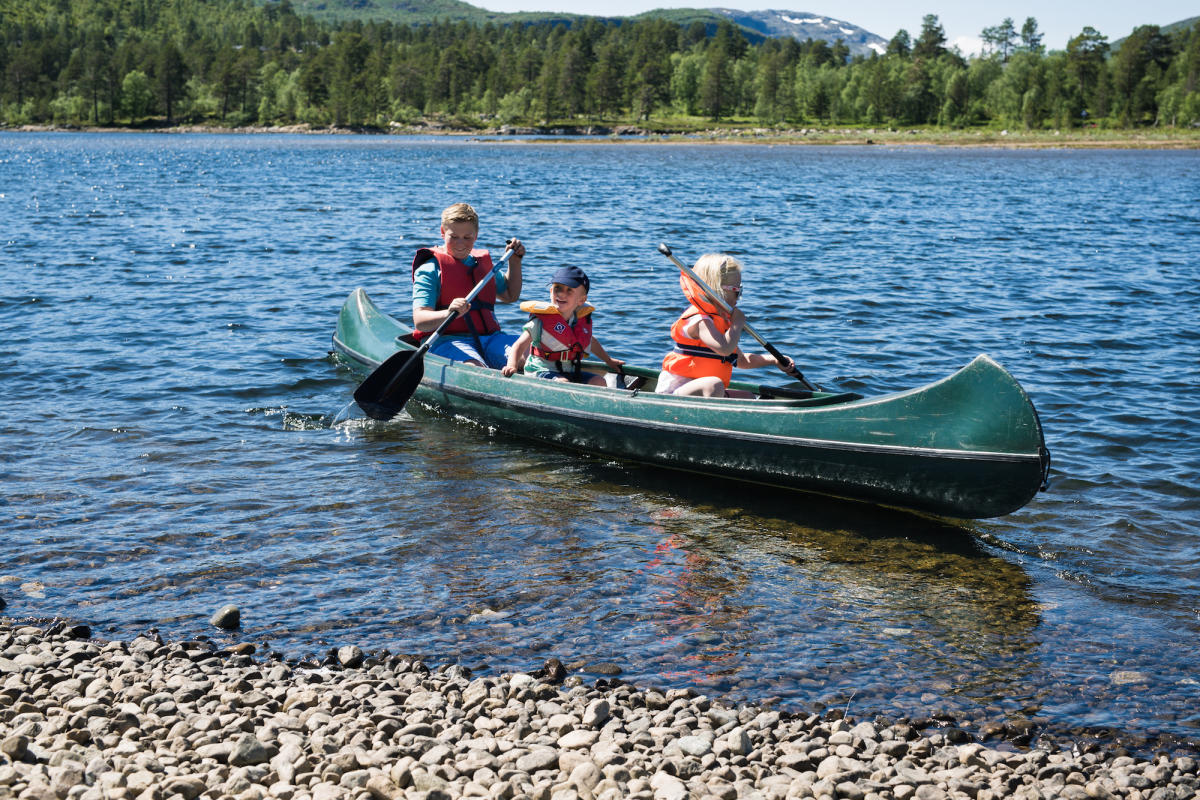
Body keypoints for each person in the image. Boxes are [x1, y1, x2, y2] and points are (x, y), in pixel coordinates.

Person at [656, 253, 795, 398]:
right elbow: (724, 350)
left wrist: (774, 360)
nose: (739, 297)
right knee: (714, 384)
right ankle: (712, 419)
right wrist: (736, 324)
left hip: (704, 392)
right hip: (674, 393)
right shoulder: (700, 321)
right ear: (717, 290)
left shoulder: (720, 322)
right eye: (736, 291)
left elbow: (741, 360)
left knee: (748, 397)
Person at [411, 202, 525, 368]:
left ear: (476, 235)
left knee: (528, 357)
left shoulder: (482, 265)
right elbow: (420, 321)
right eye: (454, 237)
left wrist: (515, 262)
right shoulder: (429, 270)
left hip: (490, 338)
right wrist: (448, 313)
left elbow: (510, 295)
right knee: (474, 366)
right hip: (446, 340)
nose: (460, 244)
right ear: (443, 233)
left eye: (467, 237)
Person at [501, 265, 624, 386]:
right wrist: (512, 366)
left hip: (568, 372)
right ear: (551, 292)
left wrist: (608, 360)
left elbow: (591, 342)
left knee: (599, 381)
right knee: (563, 383)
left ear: (581, 300)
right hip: (540, 371)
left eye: (569, 290)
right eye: (558, 288)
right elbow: (519, 345)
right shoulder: (539, 322)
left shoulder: (577, 322)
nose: (561, 294)